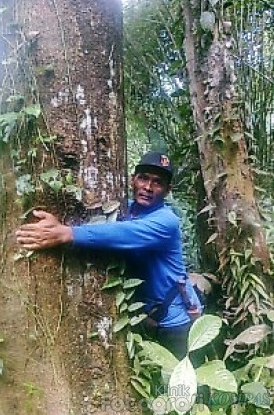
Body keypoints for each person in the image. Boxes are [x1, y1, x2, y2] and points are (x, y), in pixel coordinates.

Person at [16, 151, 202, 359]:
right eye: (143, 178)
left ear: (167, 190)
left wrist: (66, 233)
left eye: (157, 183)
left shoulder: (166, 221)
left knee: (183, 386)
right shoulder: (127, 208)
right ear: (132, 179)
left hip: (175, 321)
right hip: (146, 318)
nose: (148, 187)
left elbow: (121, 233)